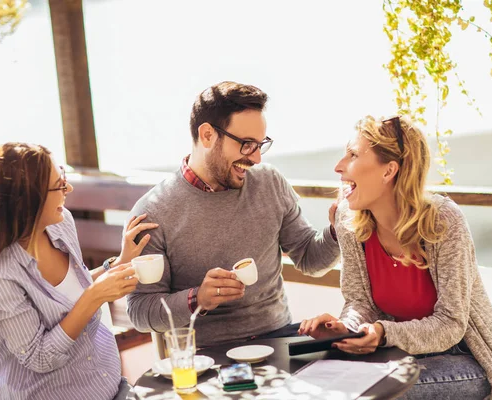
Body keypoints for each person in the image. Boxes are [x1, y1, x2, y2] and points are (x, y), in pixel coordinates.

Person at [299, 116, 492, 400]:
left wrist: (383, 333)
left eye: (352, 155)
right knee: (318, 380)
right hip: (396, 354)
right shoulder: (348, 220)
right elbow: (359, 302)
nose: (338, 166)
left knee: (373, 392)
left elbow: (451, 324)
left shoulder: (443, 222)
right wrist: (347, 329)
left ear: (389, 171)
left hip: (465, 358)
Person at [126, 81, 340, 347]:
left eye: (261, 145)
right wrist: (197, 299)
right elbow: (140, 311)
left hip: (279, 341)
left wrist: (335, 230)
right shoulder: (154, 211)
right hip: (208, 357)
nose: (257, 158)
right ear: (207, 135)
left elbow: (310, 259)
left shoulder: (269, 182)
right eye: (247, 144)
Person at [0, 143, 157, 400]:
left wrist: (120, 261)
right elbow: (40, 357)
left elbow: (75, 289)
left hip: (109, 388)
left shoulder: (61, 223)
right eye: (59, 185)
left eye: (63, 178)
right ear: (27, 200)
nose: (69, 189)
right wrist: (95, 297)